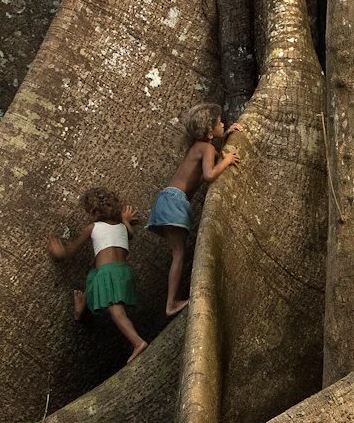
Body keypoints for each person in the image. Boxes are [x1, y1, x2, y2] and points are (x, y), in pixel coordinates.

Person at [150, 102, 242, 316]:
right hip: (174, 201)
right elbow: (210, 175)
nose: (223, 123)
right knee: (179, 253)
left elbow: (204, 170)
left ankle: (171, 301)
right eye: (220, 123)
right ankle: (171, 303)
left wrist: (226, 135)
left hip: (169, 199)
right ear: (210, 133)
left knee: (178, 251)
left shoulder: (200, 146)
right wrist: (227, 160)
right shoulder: (207, 148)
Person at [44, 186, 146, 362]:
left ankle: (137, 342)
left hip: (106, 274)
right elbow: (130, 234)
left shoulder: (92, 228)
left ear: (94, 211)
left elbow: (71, 251)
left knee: (116, 312)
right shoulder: (123, 227)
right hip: (121, 273)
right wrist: (126, 219)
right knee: (92, 280)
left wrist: (59, 252)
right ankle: (82, 309)